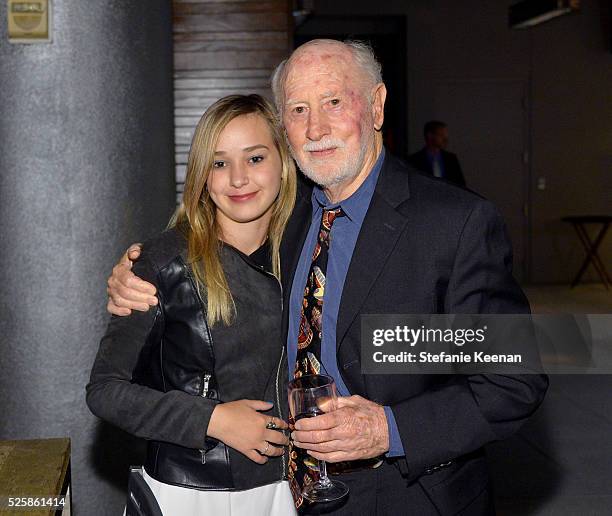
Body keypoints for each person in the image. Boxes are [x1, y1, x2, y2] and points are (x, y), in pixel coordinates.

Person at [106, 40, 548, 515]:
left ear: (376, 106)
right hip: (288, 494)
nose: (316, 128)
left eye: (334, 102)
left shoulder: (453, 223)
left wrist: (389, 429)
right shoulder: (284, 216)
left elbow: (513, 380)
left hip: (408, 496)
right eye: (298, 109)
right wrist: (137, 272)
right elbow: (203, 252)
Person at [87, 94, 299, 516]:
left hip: (288, 488)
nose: (238, 178)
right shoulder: (163, 262)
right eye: (219, 163)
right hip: (193, 493)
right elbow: (106, 391)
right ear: (202, 174)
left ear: (283, 163)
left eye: (255, 158)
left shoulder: (308, 246)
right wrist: (213, 420)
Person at [408, 120, 466, 187]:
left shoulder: (451, 159)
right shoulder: (415, 160)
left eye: (445, 136)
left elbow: (460, 184)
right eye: (441, 135)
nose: (445, 139)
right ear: (430, 135)